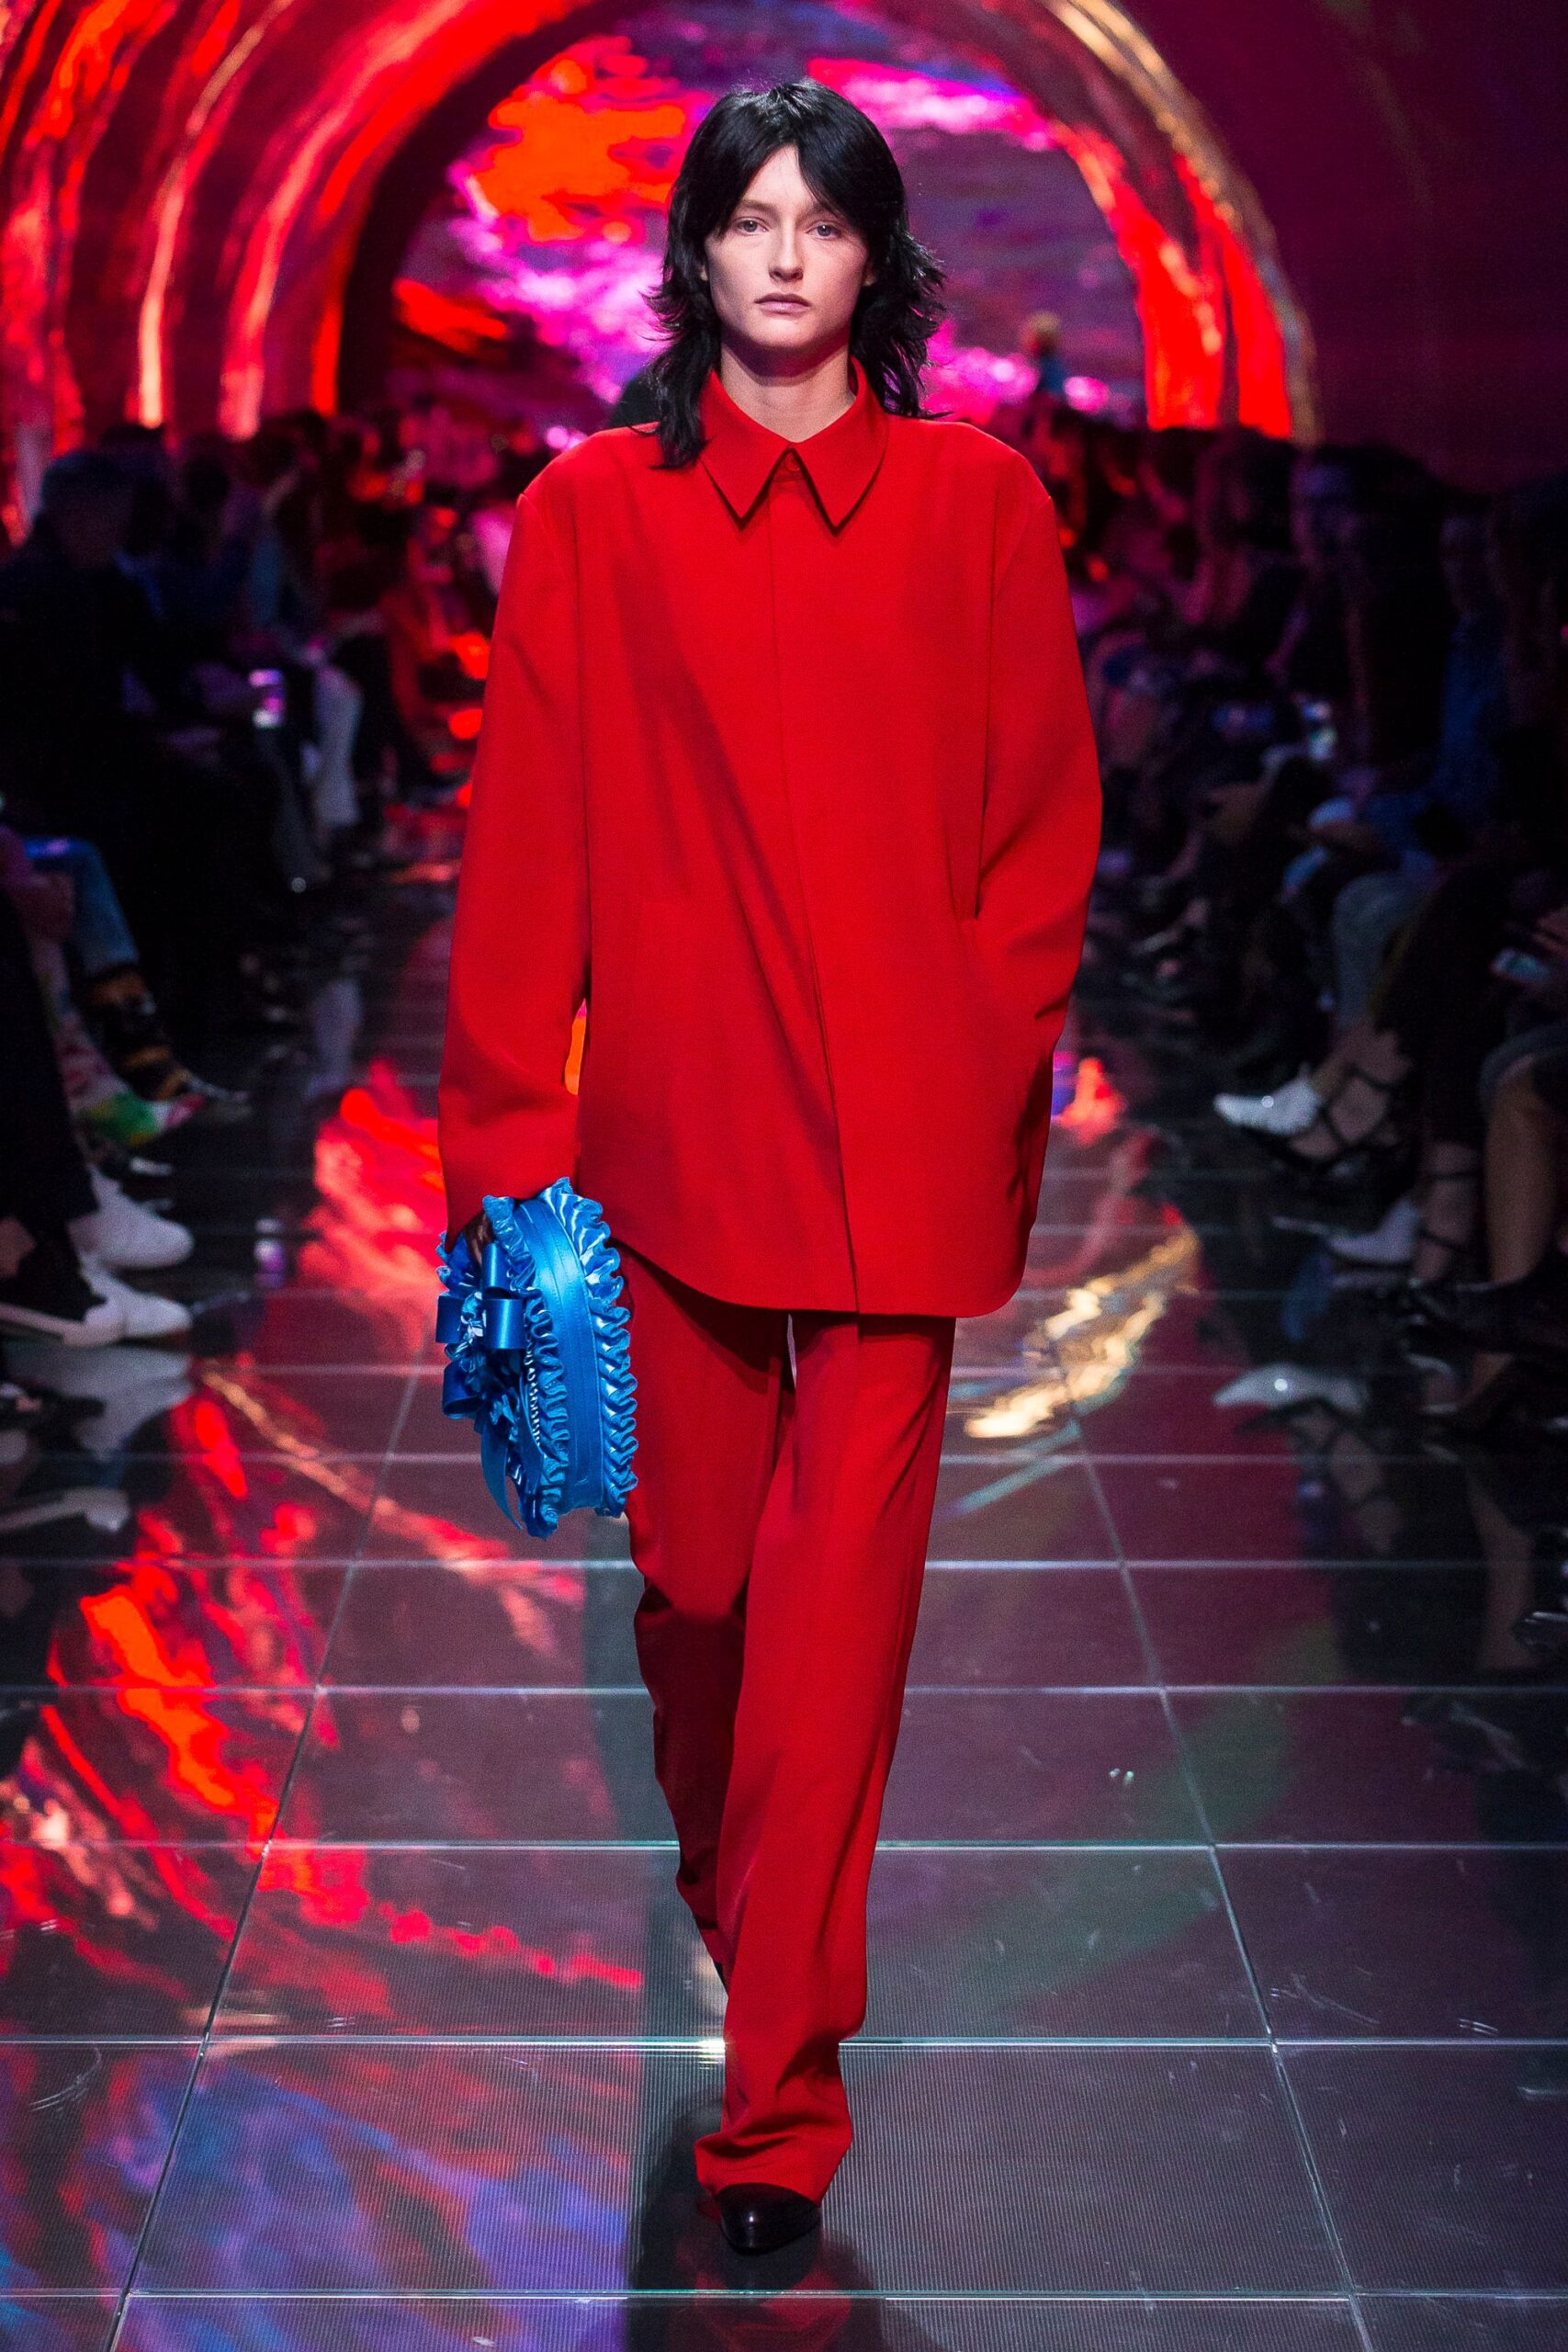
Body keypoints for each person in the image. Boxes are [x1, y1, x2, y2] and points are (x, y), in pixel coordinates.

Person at [436, 79, 1100, 2255]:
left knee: (831, 1653)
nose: (786, 251)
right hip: (674, 1151)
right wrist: (505, 1149)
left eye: (823, 218)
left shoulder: (977, 505)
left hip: (898, 1157)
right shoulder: (594, 513)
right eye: (749, 215)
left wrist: (980, 1055)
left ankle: (779, 2097)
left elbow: (1036, 828)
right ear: (697, 252)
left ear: (876, 260)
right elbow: (529, 848)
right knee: (702, 1604)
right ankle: (748, 1900)